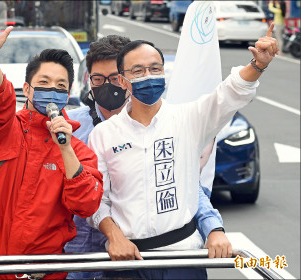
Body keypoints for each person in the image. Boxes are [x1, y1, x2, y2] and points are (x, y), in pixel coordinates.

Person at [87, 25, 278, 279]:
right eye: (138, 71)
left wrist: (257, 65)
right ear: (122, 80)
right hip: (128, 261)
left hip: (184, 259)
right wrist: (114, 236)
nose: (148, 76)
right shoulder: (103, 134)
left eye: (155, 69)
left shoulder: (189, 118)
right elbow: (97, 200)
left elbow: (229, 94)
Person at [65, 35, 231, 279]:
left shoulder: (166, 124)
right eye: (98, 79)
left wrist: (213, 228)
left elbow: (185, 188)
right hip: (80, 261)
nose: (107, 86)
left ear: (126, 79)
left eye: (113, 79)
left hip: (137, 259)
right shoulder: (72, 130)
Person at [0, 17, 103, 280]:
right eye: (43, 83)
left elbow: (86, 204)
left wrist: (65, 149)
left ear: (68, 95)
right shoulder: (3, 131)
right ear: (27, 88)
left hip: (46, 274)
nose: (51, 91)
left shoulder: (79, 151)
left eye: (60, 86)